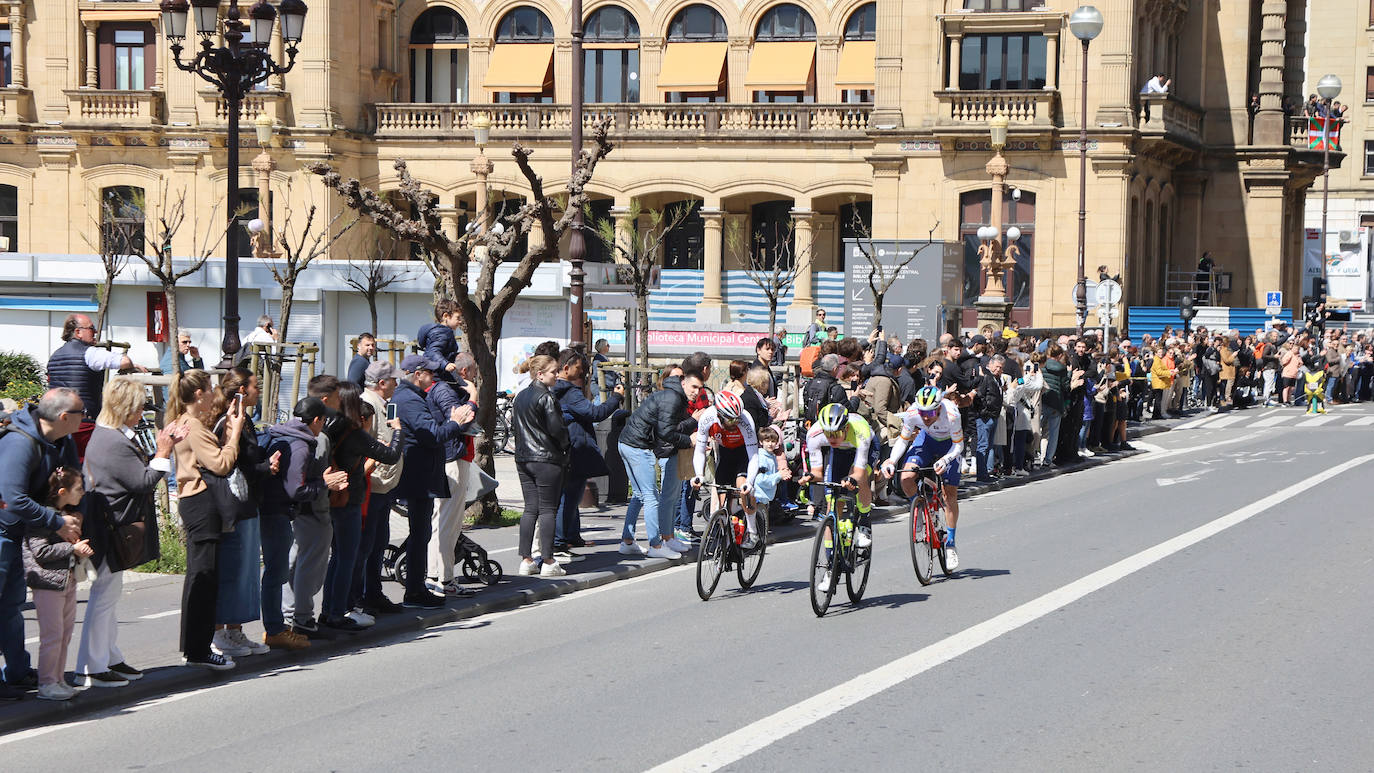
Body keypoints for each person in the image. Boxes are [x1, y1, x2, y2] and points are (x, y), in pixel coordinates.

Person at [77, 377, 181, 688]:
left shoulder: (111, 435)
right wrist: (164, 451)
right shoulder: (113, 441)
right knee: (103, 597)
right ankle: (92, 666)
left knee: (108, 595)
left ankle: (109, 657)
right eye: (138, 408)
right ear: (123, 408)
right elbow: (143, 481)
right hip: (110, 527)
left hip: (110, 524)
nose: (141, 413)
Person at [0, 388, 83, 697]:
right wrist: (57, 522)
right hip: (4, 531)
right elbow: (12, 498)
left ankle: (17, 672)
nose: (85, 418)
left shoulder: (62, 439)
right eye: (81, 413)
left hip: (18, 533)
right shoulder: (20, 443)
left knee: (10, 606)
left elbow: (74, 480)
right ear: (64, 417)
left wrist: (74, 514)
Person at [167, 369, 246, 670]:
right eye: (210, 388)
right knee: (204, 577)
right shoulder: (194, 426)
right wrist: (234, 434)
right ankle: (198, 650)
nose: (214, 393)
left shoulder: (180, 420)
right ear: (199, 394)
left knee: (198, 576)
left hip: (191, 502)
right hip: (201, 501)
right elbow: (221, 464)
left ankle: (194, 647)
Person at [320, 382, 402, 629]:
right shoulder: (354, 433)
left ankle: (328, 611)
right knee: (347, 558)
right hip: (349, 499)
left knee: (337, 558)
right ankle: (338, 612)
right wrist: (398, 432)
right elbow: (390, 455)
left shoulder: (328, 428)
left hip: (331, 498)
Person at [393, 354, 472, 607]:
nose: (433, 376)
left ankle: (417, 587)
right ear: (418, 374)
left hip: (418, 473)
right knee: (421, 533)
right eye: (429, 372)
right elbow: (432, 435)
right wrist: (455, 423)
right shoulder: (410, 400)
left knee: (423, 531)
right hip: (419, 476)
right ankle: (415, 590)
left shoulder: (407, 396)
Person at [208, 369, 276, 659]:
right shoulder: (228, 420)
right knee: (231, 568)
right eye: (255, 386)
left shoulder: (244, 419)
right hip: (233, 504)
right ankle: (219, 632)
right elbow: (231, 462)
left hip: (248, 501)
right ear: (241, 391)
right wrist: (266, 467)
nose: (258, 390)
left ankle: (235, 630)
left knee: (245, 570)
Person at [260, 397, 333, 651]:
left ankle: (279, 628)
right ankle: (276, 630)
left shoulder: (282, 432)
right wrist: (324, 483)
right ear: (316, 420)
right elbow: (296, 490)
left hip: (272, 509)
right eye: (323, 420)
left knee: (280, 571)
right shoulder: (301, 445)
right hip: (277, 511)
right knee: (276, 574)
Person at [617, 369, 703, 558]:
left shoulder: (671, 395)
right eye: (693, 387)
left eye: (699, 388)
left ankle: (627, 542)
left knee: (639, 495)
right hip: (637, 446)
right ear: (683, 383)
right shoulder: (673, 398)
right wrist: (689, 440)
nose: (696, 392)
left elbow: (666, 429)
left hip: (628, 442)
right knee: (651, 496)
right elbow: (666, 433)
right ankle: (656, 547)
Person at [23, 467, 92, 701]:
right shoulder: (44, 517)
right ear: (63, 492)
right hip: (48, 583)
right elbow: (40, 551)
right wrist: (72, 548)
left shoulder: (65, 514)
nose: (83, 493)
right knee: (52, 636)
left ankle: (58, 679)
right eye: (79, 488)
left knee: (65, 634)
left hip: (66, 581)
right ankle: (47, 683)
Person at [882, 385, 965, 570]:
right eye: (923, 413)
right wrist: (892, 461)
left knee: (949, 494)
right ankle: (919, 510)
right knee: (906, 477)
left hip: (949, 445)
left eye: (930, 413)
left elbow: (958, 446)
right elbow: (903, 439)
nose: (926, 417)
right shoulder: (913, 412)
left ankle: (950, 544)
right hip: (926, 440)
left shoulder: (952, 413)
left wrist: (946, 460)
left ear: (939, 408)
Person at [553, 349, 622, 554]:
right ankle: (559, 542)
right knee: (569, 497)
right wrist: (616, 397)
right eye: (579, 368)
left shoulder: (558, 390)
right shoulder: (570, 392)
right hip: (576, 448)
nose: (582, 372)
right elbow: (595, 413)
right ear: (566, 368)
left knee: (572, 495)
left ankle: (572, 537)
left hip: (568, 447)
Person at [46, 314, 146, 455]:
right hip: (83, 423)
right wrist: (131, 364)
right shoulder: (91, 353)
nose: (96, 332)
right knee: (87, 461)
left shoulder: (54, 356)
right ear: (78, 332)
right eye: (91, 328)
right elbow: (124, 361)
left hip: (57, 421)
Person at [425, 352, 480, 596]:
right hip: (453, 459)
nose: (475, 377)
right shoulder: (447, 391)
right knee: (449, 522)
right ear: (464, 372)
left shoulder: (439, 389)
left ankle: (433, 574)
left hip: (446, 458)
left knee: (440, 520)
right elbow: (462, 421)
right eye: (474, 372)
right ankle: (445, 578)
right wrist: (474, 397)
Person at [512, 354, 571, 577]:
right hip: (546, 457)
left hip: (523, 457)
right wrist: (565, 446)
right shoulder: (546, 397)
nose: (557, 375)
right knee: (548, 510)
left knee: (530, 509)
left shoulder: (521, 396)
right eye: (553, 372)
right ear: (540, 374)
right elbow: (557, 429)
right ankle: (548, 560)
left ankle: (526, 560)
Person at [355, 361, 404, 615]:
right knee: (368, 544)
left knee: (377, 542)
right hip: (372, 486)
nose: (397, 383)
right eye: (393, 379)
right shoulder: (368, 404)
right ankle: (363, 596)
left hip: (382, 486)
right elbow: (366, 443)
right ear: (382, 383)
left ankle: (373, 593)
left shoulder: (381, 403)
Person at [689, 391, 762, 548]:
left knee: (743, 487)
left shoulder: (745, 419)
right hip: (724, 453)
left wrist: (749, 482)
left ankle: (752, 532)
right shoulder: (708, 418)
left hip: (744, 453)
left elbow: (754, 455)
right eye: (731, 420)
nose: (735, 423)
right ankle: (726, 540)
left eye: (737, 419)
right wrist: (699, 475)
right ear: (719, 415)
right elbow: (700, 450)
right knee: (721, 502)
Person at [798, 403, 875, 548]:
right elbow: (818, 473)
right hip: (840, 451)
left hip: (865, 447)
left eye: (836, 434)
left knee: (861, 478)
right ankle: (830, 555)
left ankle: (865, 523)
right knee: (833, 505)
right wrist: (809, 477)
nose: (831, 438)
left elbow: (858, 472)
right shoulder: (814, 434)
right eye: (827, 434)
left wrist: (851, 479)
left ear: (846, 428)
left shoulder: (861, 431)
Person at [418, 299, 463, 383]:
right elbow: (433, 352)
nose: (460, 321)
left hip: (436, 375)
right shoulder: (442, 333)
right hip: (436, 377)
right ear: (446, 316)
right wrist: (445, 364)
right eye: (457, 317)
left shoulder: (442, 332)